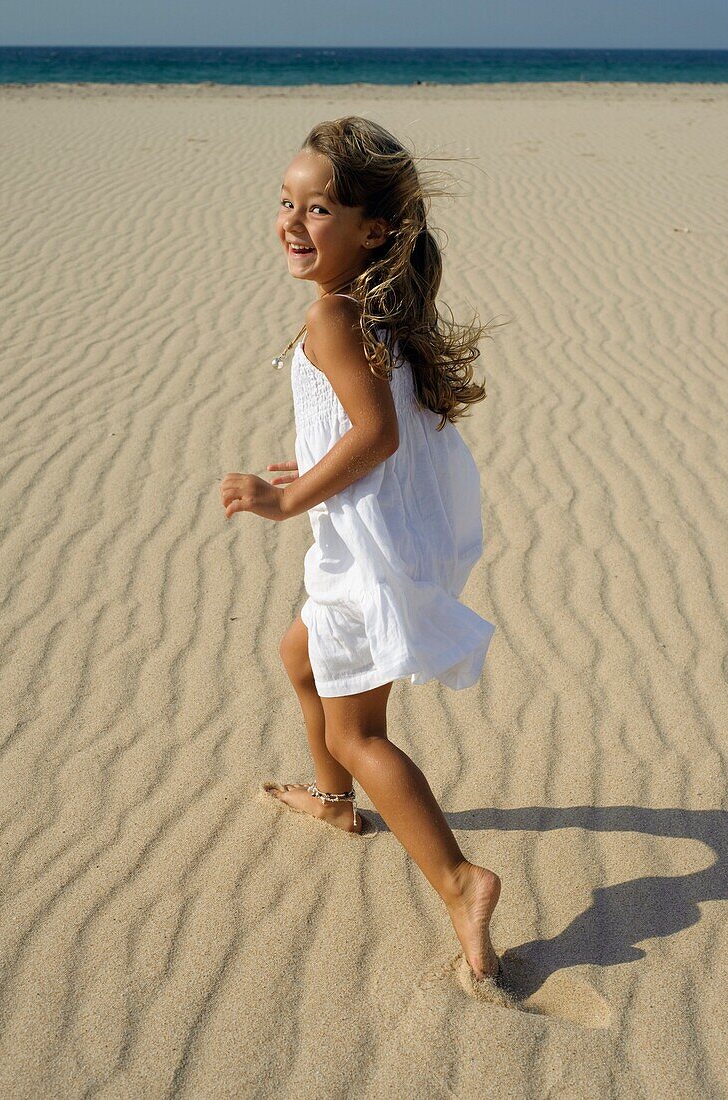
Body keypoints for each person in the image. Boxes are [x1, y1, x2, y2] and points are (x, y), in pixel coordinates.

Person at [219, 117, 507, 985]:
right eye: (285, 203)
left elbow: (375, 433)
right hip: (400, 527)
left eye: (318, 210)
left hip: (367, 546)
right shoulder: (379, 304)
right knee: (298, 653)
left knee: (357, 731)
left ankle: (460, 883)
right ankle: (339, 806)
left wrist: (287, 496)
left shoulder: (332, 317)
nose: (292, 223)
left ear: (372, 230)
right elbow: (372, 426)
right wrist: (318, 460)